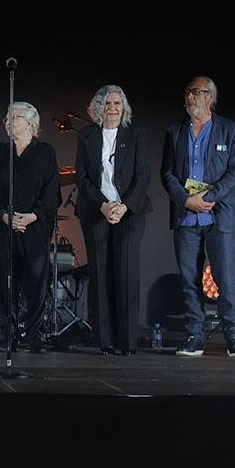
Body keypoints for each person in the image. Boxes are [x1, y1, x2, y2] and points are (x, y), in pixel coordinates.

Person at [160, 77, 235, 358]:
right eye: (188, 92)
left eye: (196, 92)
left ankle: (233, 336)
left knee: (226, 279)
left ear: (210, 97)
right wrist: (186, 200)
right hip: (186, 216)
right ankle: (194, 337)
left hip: (217, 215)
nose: (190, 97)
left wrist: (207, 198)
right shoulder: (174, 131)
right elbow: (167, 173)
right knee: (189, 280)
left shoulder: (230, 130)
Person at [75, 85, 154, 355]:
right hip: (97, 210)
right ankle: (105, 340)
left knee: (126, 274)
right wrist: (103, 205)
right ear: (99, 107)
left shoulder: (136, 134)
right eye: (107, 103)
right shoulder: (87, 135)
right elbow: (82, 177)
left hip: (129, 211)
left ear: (124, 107)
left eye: (117, 103)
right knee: (100, 275)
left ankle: (128, 342)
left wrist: (123, 206)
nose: (112, 108)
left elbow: (143, 175)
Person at [0, 102, 60, 352]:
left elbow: (52, 191)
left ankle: (34, 334)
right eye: (6, 118)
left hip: (34, 229)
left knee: (36, 287)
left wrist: (33, 216)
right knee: (5, 288)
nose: (7, 122)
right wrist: (4, 215)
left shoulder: (46, 152)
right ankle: (10, 333)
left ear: (30, 122)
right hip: (3, 229)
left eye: (13, 117)